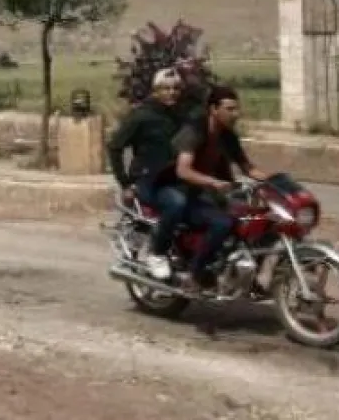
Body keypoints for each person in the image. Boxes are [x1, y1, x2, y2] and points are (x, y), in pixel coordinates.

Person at [171, 84, 270, 289]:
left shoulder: (227, 136)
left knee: (263, 222)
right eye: (230, 109)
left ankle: (247, 276)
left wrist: (275, 181)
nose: (236, 114)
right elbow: (183, 170)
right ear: (214, 110)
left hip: (210, 195)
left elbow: (248, 168)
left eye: (237, 109)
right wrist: (214, 182)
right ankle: (194, 274)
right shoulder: (195, 130)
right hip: (184, 195)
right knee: (222, 223)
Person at [106, 67, 187, 281]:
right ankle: (157, 254)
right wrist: (125, 183)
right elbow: (115, 147)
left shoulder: (181, 115)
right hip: (147, 181)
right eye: (166, 88)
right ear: (156, 90)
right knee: (176, 203)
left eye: (176, 88)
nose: (171, 93)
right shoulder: (141, 116)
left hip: (176, 178)